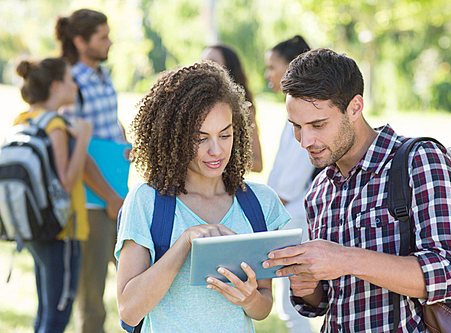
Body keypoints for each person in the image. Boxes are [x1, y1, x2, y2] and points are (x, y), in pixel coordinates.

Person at [263, 48, 451, 332]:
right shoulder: (319, 191)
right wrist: (307, 284)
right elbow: (324, 302)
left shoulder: (419, 160)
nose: (305, 140)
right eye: (297, 126)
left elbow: (450, 274)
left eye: (318, 125)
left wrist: (345, 259)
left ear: (355, 107)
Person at [115, 61, 290, 332]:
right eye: (201, 138)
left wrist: (250, 298)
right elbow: (129, 310)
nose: (216, 150)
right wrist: (185, 243)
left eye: (225, 134)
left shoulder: (261, 202)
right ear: (175, 137)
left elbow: (263, 307)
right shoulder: (146, 201)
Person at [55, 9, 124, 333]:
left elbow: (107, 126)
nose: (110, 42)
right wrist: (110, 197)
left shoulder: (101, 74)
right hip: (94, 203)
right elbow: (74, 148)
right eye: (103, 37)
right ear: (80, 41)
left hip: (117, 195)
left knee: (136, 278)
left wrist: (124, 140)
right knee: (93, 301)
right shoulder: (71, 82)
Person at [14, 57, 92, 332]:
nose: (75, 85)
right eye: (71, 79)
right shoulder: (56, 124)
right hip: (62, 230)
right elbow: (68, 182)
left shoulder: (23, 119)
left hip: (34, 226)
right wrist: (83, 137)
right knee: (57, 314)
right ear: (57, 86)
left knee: (45, 310)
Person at [264, 35, 315, 333]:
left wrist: (265, 213)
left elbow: (289, 184)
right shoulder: (292, 113)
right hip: (289, 215)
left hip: (294, 218)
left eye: (273, 66)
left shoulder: (304, 115)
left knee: (292, 303)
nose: (269, 74)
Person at [201, 44, 263, 172]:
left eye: (212, 62)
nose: (205, 67)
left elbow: (257, 163)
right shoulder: (192, 107)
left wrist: (222, 158)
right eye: (203, 62)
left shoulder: (244, 110)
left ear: (228, 68)